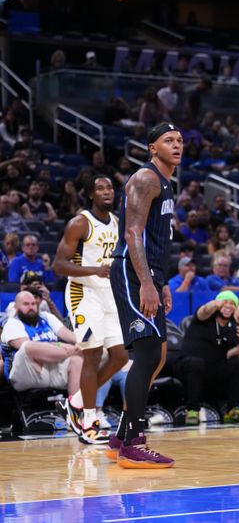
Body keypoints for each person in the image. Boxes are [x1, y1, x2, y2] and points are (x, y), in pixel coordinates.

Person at [108, 122, 181, 469]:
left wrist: (160, 280)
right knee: (148, 354)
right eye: (168, 140)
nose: (177, 145)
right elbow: (133, 233)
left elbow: (156, 240)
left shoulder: (166, 183)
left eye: (180, 140)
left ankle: (120, 437)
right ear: (152, 147)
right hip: (132, 271)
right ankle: (134, 442)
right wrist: (147, 283)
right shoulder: (146, 178)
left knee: (160, 354)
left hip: (149, 273)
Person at [54, 176, 129, 445]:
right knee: (93, 354)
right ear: (90, 194)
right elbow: (59, 265)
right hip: (83, 293)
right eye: (101, 188)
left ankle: (75, 401)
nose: (107, 191)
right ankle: (88, 421)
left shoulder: (118, 223)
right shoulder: (80, 223)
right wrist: (94, 270)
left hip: (108, 294)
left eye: (110, 187)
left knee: (120, 356)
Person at [180, 292, 239, 424]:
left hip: (214, 367)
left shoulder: (234, 326)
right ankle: (192, 410)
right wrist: (215, 304)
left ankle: (233, 409)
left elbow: (228, 355)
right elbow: (204, 311)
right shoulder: (205, 317)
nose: (229, 305)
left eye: (232, 304)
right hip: (189, 364)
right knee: (196, 363)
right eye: (225, 302)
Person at [1, 291, 82, 393]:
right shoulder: (12, 323)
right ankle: (72, 351)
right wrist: (62, 346)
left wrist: (84, 344)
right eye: (26, 304)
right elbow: (28, 347)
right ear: (16, 307)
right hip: (27, 372)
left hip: (52, 367)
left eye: (33, 304)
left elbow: (68, 335)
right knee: (28, 346)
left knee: (77, 360)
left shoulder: (46, 317)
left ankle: (74, 405)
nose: (31, 307)